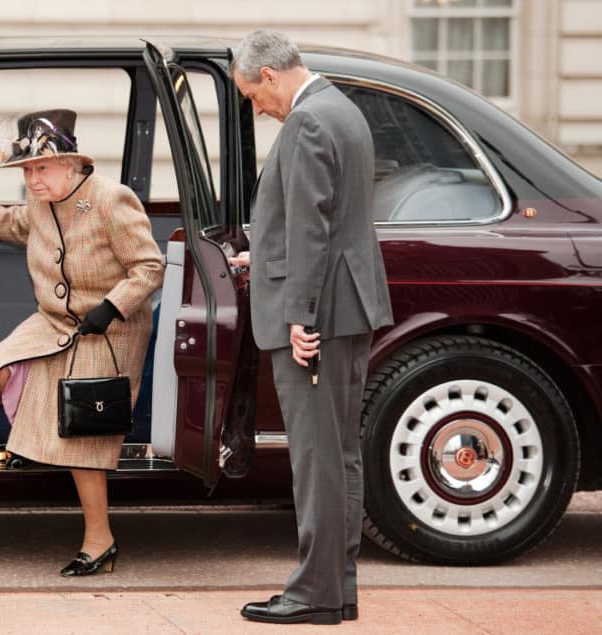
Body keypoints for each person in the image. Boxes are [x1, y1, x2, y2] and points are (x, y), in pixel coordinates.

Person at [229, 30, 393, 624]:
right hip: (350, 304)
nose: (257, 107)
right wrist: (263, 253)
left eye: (251, 95)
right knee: (339, 456)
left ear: (270, 76)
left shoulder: (305, 123)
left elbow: (312, 228)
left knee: (317, 460)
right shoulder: (340, 108)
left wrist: (300, 317)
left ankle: (314, 594)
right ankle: (336, 588)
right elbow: (326, 220)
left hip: (320, 314)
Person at [0, 108, 164, 576]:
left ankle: (100, 541)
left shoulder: (110, 199)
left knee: (82, 434)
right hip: (55, 320)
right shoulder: (41, 204)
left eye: (42, 168)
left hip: (110, 330)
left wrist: (110, 308)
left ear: (71, 164)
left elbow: (150, 267)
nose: (33, 179)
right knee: (1, 367)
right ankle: (40, 434)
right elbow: (17, 224)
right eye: (28, 170)